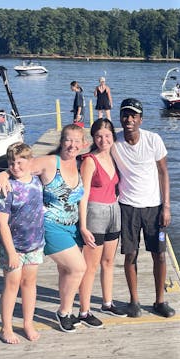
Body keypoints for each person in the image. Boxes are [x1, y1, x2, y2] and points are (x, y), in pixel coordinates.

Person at [0, 124, 87, 333]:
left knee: (66, 270)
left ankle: (63, 312)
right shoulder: (49, 162)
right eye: (68, 140)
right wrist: (2, 174)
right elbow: (20, 167)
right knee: (78, 268)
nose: (72, 145)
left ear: (83, 144)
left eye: (76, 141)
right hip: (49, 226)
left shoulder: (80, 163)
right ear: (61, 141)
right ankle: (63, 312)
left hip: (70, 227)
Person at [111, 98, 174, 319]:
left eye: (133, 116)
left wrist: (166, 207)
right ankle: (134, 302)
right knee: (130, 255)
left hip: (154, 207)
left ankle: (159, 301)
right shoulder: (114, 142)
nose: (129, 119)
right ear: (120, 118)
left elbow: (163, 172)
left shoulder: (153, 140)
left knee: (160, 255)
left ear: (141, 120)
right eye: (125, 115)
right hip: (127, 206)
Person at [77, 118, 127, 325]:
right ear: (94, 138)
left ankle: (107, 302)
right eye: (98, 136)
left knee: (108, 262)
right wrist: (82, 225)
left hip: (114, 212)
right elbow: (83, 194)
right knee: (91, 266)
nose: (103, 139)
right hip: (95, 213)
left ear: (113, 137)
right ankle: (84, 311)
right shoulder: (90, 160)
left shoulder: (115, 156)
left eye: (107, 135)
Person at [0, 142, 44, 344]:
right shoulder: (6, 187)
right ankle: (5, 327)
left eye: (20, 162)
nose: (15, 167)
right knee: (12, 283)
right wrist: (12, 252)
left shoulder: (38, 181)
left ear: (30, 161)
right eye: (11, 163)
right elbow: (1, 222)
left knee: (29, 283)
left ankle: (28, 323)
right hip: (12, 246)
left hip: (34, 243)